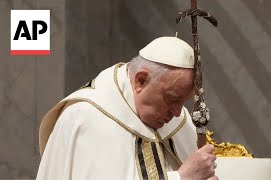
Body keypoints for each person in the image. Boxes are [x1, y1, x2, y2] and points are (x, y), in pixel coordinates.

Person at [36, 37, 218, 180]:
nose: (177, 113)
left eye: (183, 102)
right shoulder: (88, 118)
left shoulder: (178, 121)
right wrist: (181, 178)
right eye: (172, 99)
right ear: (141, 81)